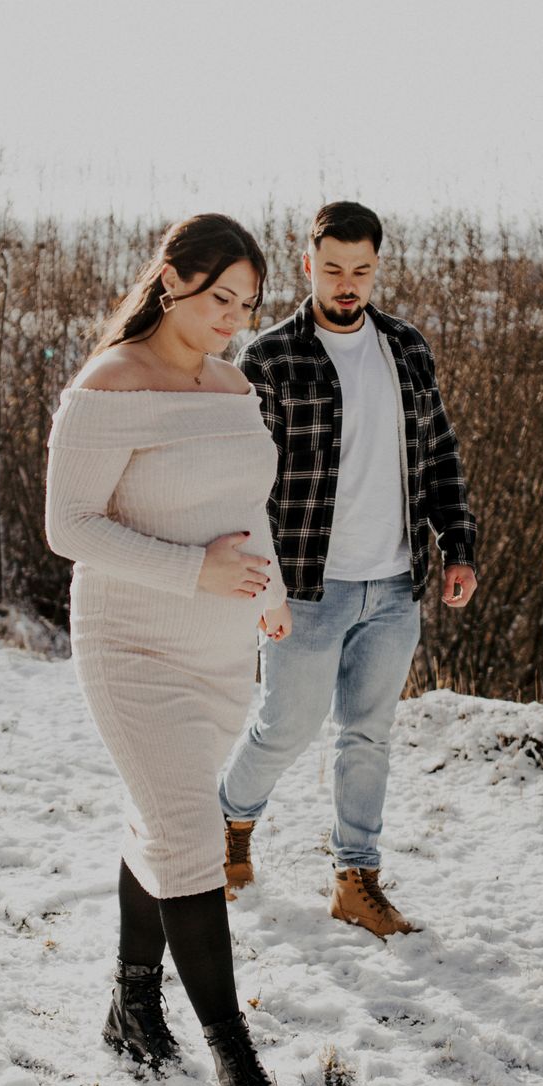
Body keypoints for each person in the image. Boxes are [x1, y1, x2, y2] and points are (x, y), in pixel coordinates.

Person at [44, 213, 300, 1086]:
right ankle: (239, 1068)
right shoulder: (109, 384)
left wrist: (268, 589)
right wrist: (195, 571)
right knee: (191, 833)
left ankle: (133, 1004)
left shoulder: (232, 386)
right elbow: (69, 527)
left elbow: (246, 504)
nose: (233, 319)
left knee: (163, 815)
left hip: (222, 649)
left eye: (248, 304)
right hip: (133, 646)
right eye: (219, 297)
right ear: (171, 281)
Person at [217, 201, 480, 938]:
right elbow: (242, 486)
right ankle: (228, 821)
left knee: (368, 736)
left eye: (361, 270)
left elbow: (439, 452)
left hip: (394, 585)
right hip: (307, 587)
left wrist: (457, 545)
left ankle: (355, 880)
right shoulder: (269, 359)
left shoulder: (406, 347)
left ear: (376, 269)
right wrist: (263, 587)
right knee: (285, 728)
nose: (346, 284)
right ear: (308, 265)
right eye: (332, 268)